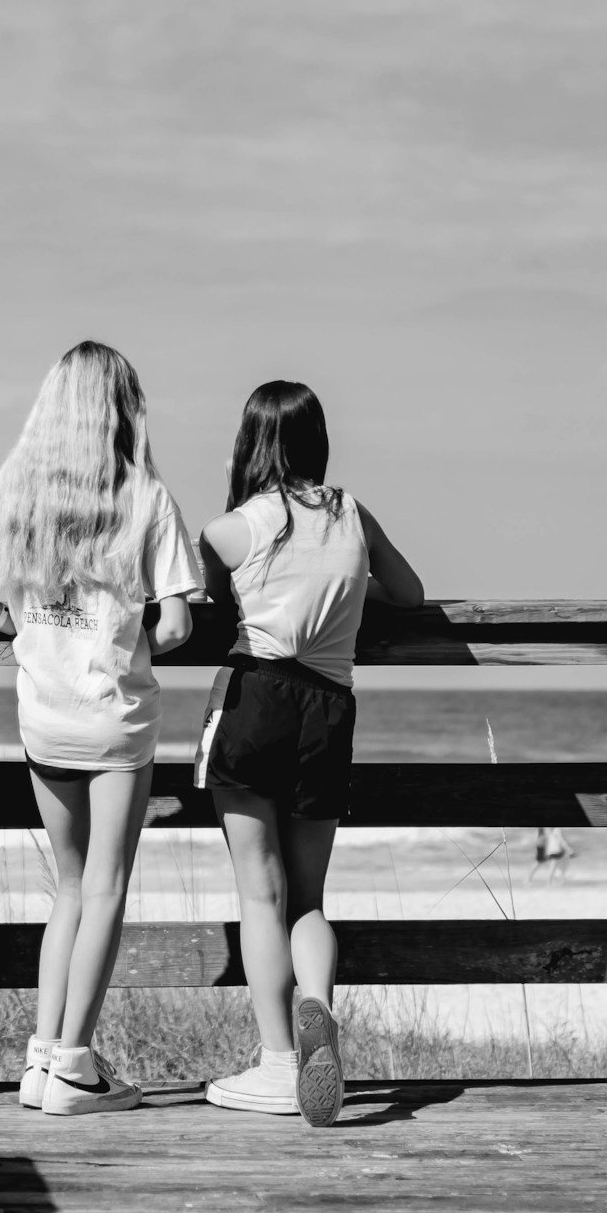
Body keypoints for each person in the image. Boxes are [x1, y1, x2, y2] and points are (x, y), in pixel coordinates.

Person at [0, 342, 200, 1116]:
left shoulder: (15, 490)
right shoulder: (144, 495)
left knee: (71, 889)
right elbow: (179, 624)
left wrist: (12, 622)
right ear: (120, 409)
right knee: (107, 888)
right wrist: (142, 626)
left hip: (44, 717)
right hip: (115, 721)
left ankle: (42, 1058)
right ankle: (76, 1067)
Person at [193, 381, 423, 1127]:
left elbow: (197, 590)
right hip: (328, 708)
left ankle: (277, 1062)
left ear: (252, 442)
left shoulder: (236, 526)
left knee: (259, 892)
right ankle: (316, 1004)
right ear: (318, 440)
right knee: (309, 896)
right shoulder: (352, 512)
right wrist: (351, 591)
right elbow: (411, 594)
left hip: (257, 695)